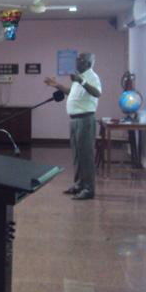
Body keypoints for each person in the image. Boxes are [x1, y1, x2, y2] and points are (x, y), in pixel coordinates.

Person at [44, 51, 101, 200]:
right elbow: (72, 93)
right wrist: (57, 86)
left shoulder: (92, 77)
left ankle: (89, 190)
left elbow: (97, 93)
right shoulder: (78, 77)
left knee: (86, 156)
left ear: (88, 64)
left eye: (80, 60)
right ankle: (79, 185)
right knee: (77, 155)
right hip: (75, 120)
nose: (76, 62)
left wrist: (81, 81)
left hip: (85, 120)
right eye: (76, 59)